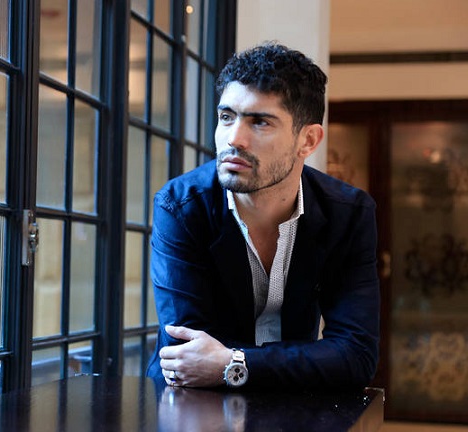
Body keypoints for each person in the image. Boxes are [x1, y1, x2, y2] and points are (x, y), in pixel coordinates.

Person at [146, 42, 380, 390]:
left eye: (259, 122)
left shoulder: (348, 214)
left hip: (292, 405)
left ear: (308, 140)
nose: (234, 139)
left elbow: (356, 355)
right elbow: (188, 355)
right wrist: (303, 362)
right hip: (189, 404)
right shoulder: (181, 207)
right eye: (226, 117)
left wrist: (235, 363)